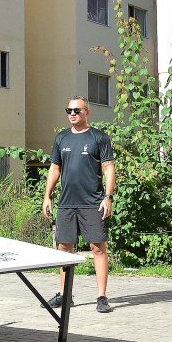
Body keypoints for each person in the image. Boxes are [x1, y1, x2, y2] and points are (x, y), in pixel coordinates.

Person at [42, 97, 116, 313]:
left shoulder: (98, 137)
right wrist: (47, 196)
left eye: (77, 110)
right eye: (69, 110)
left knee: (97, 247)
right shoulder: (61, 138)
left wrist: (108, 197)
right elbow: (55, 169)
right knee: (64, 248)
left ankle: (101, 297)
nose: (72, 113)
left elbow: (108, 168)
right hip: (66, 204)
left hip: (93, 203)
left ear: (87, 112)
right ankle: (66, 296)